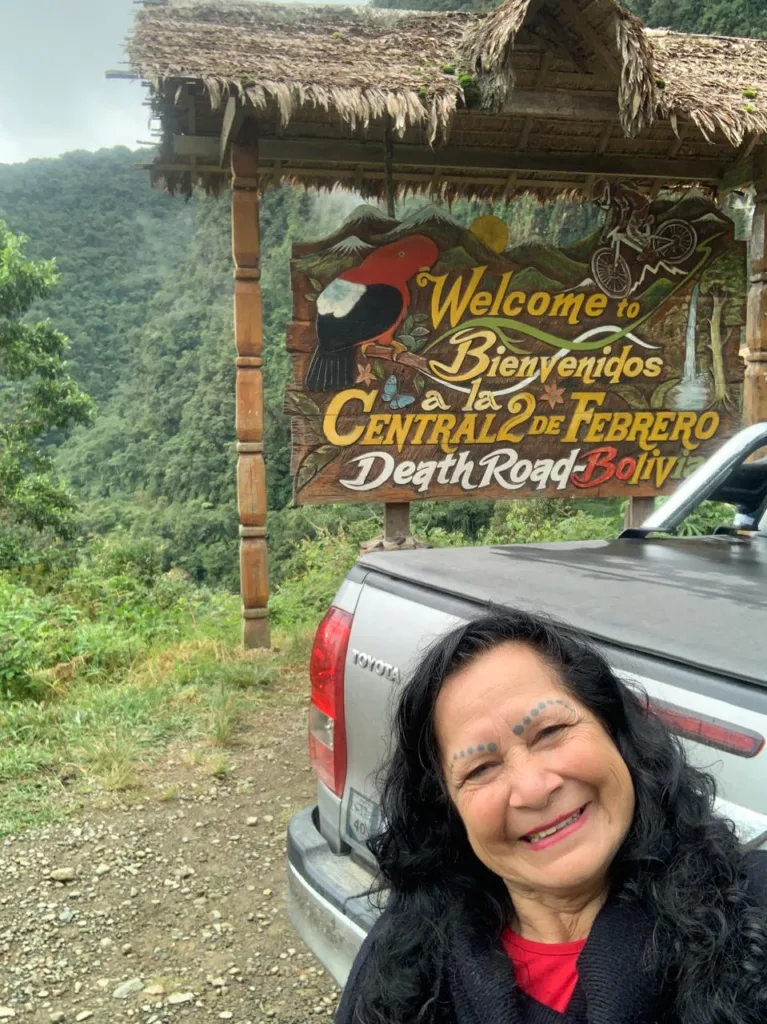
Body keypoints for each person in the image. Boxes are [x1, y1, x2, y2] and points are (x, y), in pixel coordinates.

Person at [336, 610, 767, 1024]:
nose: (533, 789)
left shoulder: (751, 908)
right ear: (447, 811)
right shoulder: (404, 963)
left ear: (614, 730)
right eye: (480, 769)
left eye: (550, 732)